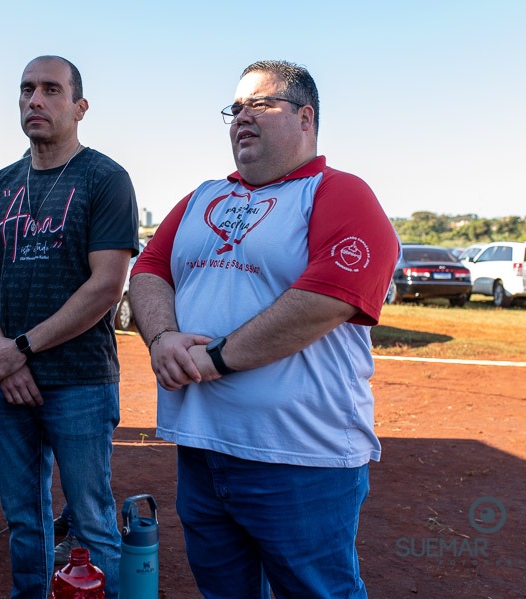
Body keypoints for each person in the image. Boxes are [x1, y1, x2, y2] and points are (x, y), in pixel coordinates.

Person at [129, 60, 400, 598]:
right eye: (235, 108)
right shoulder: (203, 196)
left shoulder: (337, 192)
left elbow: (328, 298)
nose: (241, 118)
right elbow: (149, 270)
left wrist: (215, 358)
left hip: (299, 459)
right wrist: (160, 338)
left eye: (260, 104)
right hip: (203, 448)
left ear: (306, 117)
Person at [0, 55, 139, 599]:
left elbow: (106, 287)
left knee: (90, 519)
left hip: (80, 380)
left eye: (50, 90)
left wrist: (19, 348)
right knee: (24, 520)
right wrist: (0, 352)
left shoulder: (106, 178)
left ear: (79, 106)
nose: (34, 100)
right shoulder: (0, 184)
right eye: (25, 90)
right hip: (10, 379)